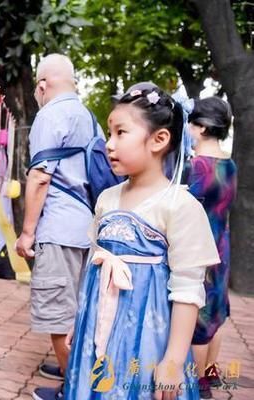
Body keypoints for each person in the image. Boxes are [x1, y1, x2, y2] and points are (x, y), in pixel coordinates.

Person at [62, 82, 220, 400]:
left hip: (149, 336)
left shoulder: (179, 205)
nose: (109, 144)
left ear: (159, 140)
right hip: (97, 327)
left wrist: (174, 359)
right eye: (110, 133)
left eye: (121, 133)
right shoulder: (106, 199)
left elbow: (188, 289)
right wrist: (81, 320)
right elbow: (93, 263)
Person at [14, 54, 100, 395]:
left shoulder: (49, 114)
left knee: (59, 316)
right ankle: (76, 371)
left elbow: (39, 177)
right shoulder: (89, 117)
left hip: (59, 227)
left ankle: (76, 388)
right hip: (87, 227)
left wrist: (27, 233)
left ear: (41, 84)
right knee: (80, 312)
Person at [184, 97, 237, 399]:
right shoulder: (229, 166)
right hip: (220, 246)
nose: (188, 129)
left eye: (191, 124)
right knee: (214, 315)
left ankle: (195, 387)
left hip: (197, 251)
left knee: (196, 321)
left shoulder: (196, 168)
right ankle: (207, 379)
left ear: (202, 128)